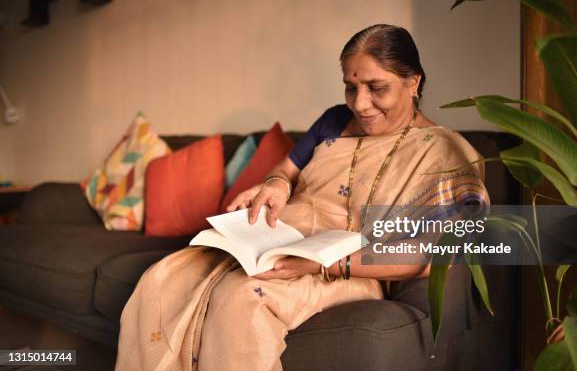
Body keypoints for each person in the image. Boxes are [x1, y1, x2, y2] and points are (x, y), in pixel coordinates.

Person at [115, 24, 489, 370]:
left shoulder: (447, 154)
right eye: (350, 87)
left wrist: (321, 265)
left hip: (348, 267)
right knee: (161, 279)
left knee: (240, 299)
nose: (359, 104)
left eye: (377, 88)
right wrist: (275, 186)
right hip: (282, 241)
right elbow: (285, 171)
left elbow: (434, 255)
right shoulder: (333, 119)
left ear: (413, 82)